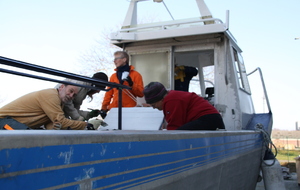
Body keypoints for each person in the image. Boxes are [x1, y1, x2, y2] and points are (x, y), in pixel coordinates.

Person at [0, 82, 102, 130]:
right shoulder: (51, 95)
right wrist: (85, 125)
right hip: (4, 121)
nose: (71, 96)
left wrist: (56, 128)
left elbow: (53, 123)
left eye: (74, 95)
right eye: (70, 91)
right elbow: (62, 120)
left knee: (39, 136)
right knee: (28, 138)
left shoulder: (59, 104)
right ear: (62, 87)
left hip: (17, 123)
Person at [143, 81, 225, 130]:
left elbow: (174, 126)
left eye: (153, 105)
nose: (154, 108)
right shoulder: (172, 96)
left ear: (160, 99)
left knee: (179, 132)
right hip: (212, 118)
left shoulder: (171, 100)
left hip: (208, 119)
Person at [101, 51, 144, 115]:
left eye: (116, 59)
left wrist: (131, 84)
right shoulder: (113, 76)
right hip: (115, 110)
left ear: (124, 59)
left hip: (129, 110)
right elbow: (108, 94)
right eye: (114, 59)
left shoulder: (136, 75)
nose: (114, 61)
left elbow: (141, 93)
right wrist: (103, 109)